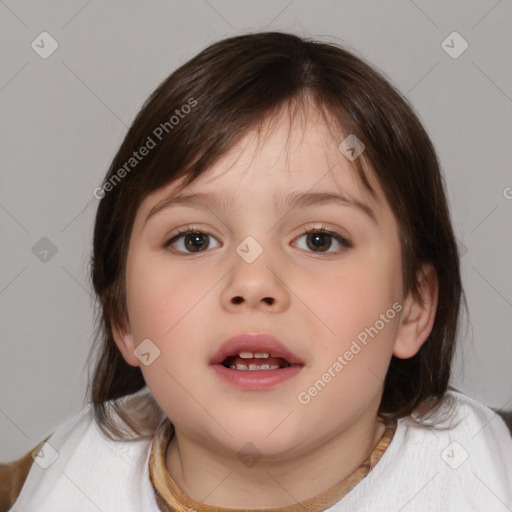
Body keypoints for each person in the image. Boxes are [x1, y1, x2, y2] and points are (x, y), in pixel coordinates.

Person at [2, 30, 511, 512]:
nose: (252, 284)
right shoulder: (42, 486)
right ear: (123, 317)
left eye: (319, 240)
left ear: (413, 307)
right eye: (194, 240)